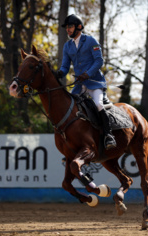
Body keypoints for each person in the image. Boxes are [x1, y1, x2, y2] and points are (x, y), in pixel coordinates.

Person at [57, 14, 116, 150]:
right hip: (79, 85)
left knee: (98, 104)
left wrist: (87, 74)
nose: (68, 30)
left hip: (94, 82)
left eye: (70, 27)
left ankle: (108, 135)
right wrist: (60, 73)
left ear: (78, 27)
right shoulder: (67, 46)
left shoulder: (90, 40)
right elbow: (65, 66)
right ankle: (71, 142)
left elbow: (99, 61)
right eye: (67, 27)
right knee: (70, 108)